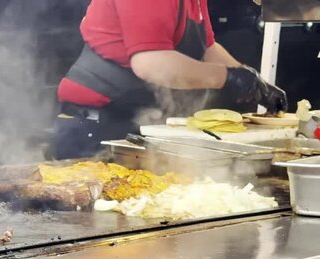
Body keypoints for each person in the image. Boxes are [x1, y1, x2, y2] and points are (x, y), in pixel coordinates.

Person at [53, 0, 288, 159]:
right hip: (97, 130)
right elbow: (150, 63)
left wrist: (253, 80)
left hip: (134, 124)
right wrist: (227, 78)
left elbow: (206, 46)